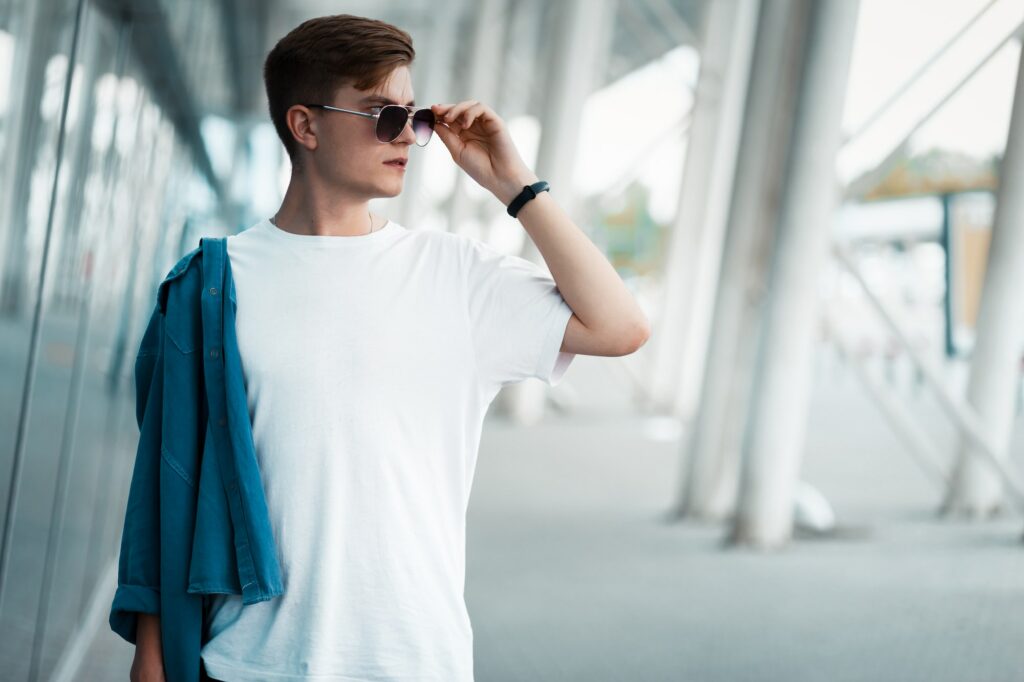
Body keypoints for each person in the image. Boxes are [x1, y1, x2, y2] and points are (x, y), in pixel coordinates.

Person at [130, 12, 649, 682]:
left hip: (413, 662)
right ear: (305, 125)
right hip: (249, 662)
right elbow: (167, 491)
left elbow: (619, 326)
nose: (405, 133)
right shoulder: (211, 284)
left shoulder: (454, 275)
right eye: (381, 114)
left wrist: (514, 187)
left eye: (414, 115)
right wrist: (151, 664)